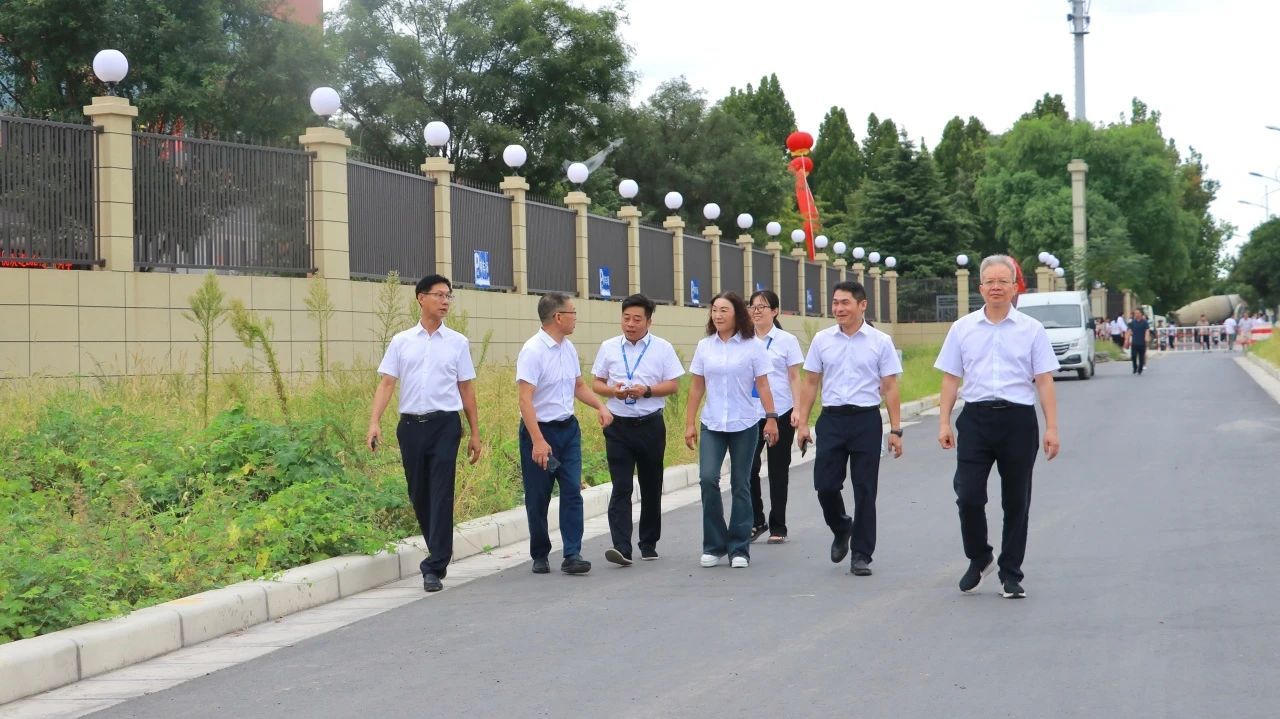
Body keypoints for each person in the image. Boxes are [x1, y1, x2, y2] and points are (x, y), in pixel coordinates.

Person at [935, 255, 1060, 599]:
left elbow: (1044, 380)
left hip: (1018, 421)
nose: (996, 287)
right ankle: (979, 556)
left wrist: (1051, 427)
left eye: (1003, 281)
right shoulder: (962, 328)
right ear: (980, 288)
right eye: (989, 281)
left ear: (1015, 287)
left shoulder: (1031, 329)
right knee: (968, 495)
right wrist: (944, 421)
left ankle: (1011, 573)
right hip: (975, 419)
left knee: (1016, 500)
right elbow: (950, 378)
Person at [367, 274, 482, 593]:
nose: (445, 301)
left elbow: (466, 389)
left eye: (449, 296)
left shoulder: (457, 342)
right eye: (439, 295)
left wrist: (475, 432)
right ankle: (437, 551)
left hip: (445, 425)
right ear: (421, 298)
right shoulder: (401, 341)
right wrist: (374, 421)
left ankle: (434, 565)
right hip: (410, 427)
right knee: (419, 492)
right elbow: (387, 383)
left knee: (441, 491)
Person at [794, 281, 903, 576]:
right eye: (835, 303)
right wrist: (802, 423)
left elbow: (890, 387)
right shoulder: (822, 340)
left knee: (865, 489)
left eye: (845, 303)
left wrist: (896, 430)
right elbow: (810, 382)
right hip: (832, 420)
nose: (839, 308)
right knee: (825, 485)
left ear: (862, 305)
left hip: (866, 420)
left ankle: (862, 554)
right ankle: (842, 526)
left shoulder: (880, 341)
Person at [516, 292, 613, 576]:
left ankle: (572, 554)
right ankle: (540, 553)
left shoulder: (568, 348)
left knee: (572, 491)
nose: (575, 319)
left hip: (567, 430)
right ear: (558, 317)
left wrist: (600, 406)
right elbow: (525, 399)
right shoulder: (532, 351)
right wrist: (538, 440)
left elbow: (578, 385)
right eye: (573, 313)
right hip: (539, 431)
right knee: (538, 495)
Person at [590, 294, 685, 566]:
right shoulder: (609, 347)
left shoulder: (662, 348)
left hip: (650, 425)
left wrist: (647, 391)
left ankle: (648, 542)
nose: (630, 324)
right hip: (618, 426)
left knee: (651, 484)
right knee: (621, 486)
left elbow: (673, 385)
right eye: (626, 318)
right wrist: (613, 391)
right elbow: (596, 383)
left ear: (648, 322)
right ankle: (622, 547)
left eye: (636, 319)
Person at [685, 292, 778, 569]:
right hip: (712, 423)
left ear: (737, 313)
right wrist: (689, 423)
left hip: (744, 423)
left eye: (724, 310)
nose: (718, 315)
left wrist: (771, 418)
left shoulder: (753, 346)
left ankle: (739, 548)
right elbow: (697, 387)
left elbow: (763, 384)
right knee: (707, 479)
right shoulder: (705, 346)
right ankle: (714, 545)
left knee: (741, 483)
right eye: (714, 310)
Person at [745, 290, 804, 544]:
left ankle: (778, 525)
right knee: (748, 468)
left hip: (780, 411)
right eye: (753, 306)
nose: (756, 311)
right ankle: (757, 520)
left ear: (775, 311)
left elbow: (794, 377)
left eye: (763, 306)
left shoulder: (786, 341)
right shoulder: (742, 339)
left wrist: (798, 409)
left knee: (778, 469)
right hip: (749, 413)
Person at [1125, 309, 1152, 375]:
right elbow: (1129, 331)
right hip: (1134, 342)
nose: (1136, 314)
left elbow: (1147, 330)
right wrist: (1127, 340)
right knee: (1133, 356)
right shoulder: (1132, 322)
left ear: (1141, 314)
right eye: (1135, 313)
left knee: (1141, 357)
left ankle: (1140, 369)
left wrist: (1146, 337)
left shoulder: (1145, 322)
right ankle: (1135, 367)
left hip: (1142, 342)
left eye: (1138, 313)